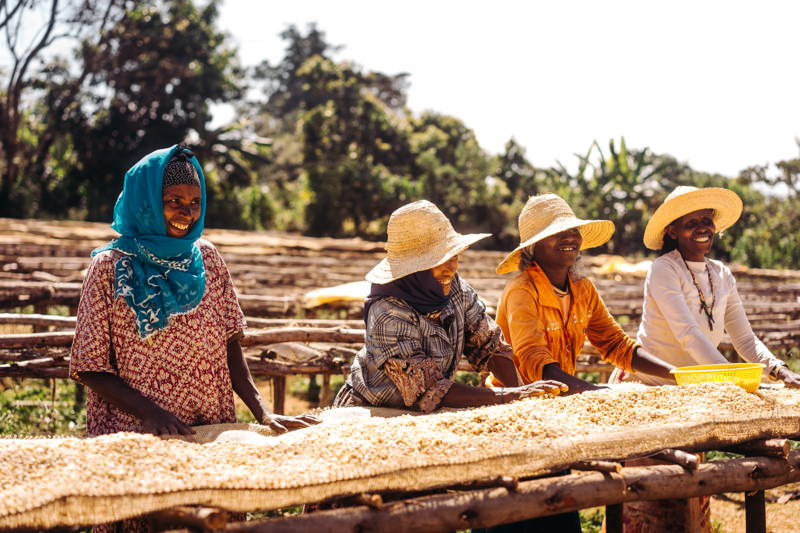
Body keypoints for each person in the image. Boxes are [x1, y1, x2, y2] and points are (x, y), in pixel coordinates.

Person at [69, 145, 318, 439]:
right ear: (145, 201)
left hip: (210, 427)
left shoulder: (207, 257)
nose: (186, 212)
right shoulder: (110, 267)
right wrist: (151, 414)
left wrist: (262, 411)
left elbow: (229, 344)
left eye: (195, 202)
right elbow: (89, 366)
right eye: (173, 200)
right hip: (137, 433)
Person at [333, 200, 567, 413]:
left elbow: (489, 345)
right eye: (439, 260)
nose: (451, 267)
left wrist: (521, 395)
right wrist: (508, 396)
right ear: (413, 268)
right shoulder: (387, 313)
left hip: (424, 412)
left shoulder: (457, 290)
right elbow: (426, 387)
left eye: (454, 256)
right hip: (370, 410)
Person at [491, 193, 675, 394]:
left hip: (562, 396)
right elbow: (533, 359)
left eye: (573, 230)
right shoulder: (522, 291)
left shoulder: (583, 289)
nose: (569, 237)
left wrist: (676, 373)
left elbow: (616, 344)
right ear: (534, 245)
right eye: (557, 232)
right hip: (516, 397)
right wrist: (592, 391)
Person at [626, 184, 800, 387]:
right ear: (673, 232)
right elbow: (688, 334)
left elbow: (744, 338)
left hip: (696, 386)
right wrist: (732, 379)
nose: (702, 228)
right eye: (691, 222)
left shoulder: (721, 273)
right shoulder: (664, 269)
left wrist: (778, 369)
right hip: (650, 384)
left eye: (707, 221)